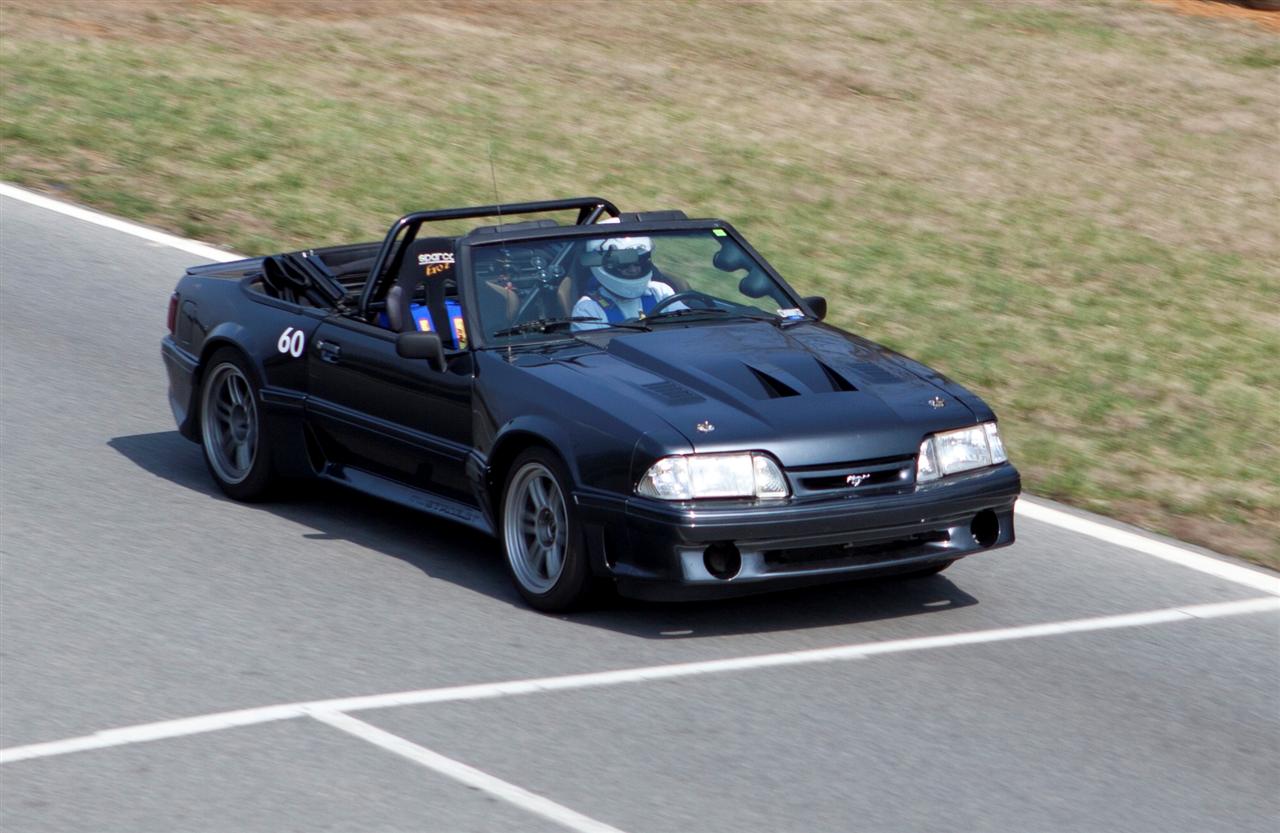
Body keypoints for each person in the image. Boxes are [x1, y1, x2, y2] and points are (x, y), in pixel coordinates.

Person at [571, 234, 677, 330]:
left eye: (639, 262)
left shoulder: (661, 292)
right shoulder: (588, 309)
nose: (634, 270)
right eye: (623, 264)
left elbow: (687, 326)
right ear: (605, 265)